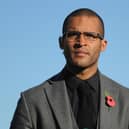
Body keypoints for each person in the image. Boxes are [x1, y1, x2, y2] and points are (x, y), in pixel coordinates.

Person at [10, 8, 129, 129]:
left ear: (103, 45)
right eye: (73, 34)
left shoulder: (126, 101)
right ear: (61, 42)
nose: (81, 42)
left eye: (90, 35)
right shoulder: (32, 101)